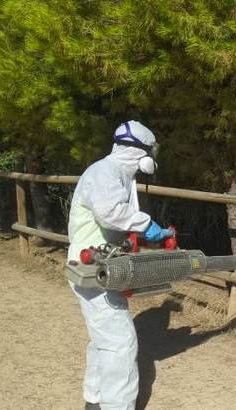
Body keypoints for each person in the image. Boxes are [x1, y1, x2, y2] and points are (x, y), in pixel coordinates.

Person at [67, 120, 174, 410]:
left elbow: (117, 218)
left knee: (103, 338)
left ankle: (95, 400)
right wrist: (148, 224)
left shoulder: (119, 175)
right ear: (139, 152)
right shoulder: (105, 172)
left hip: (103, 265)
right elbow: (110, 213)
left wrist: (148, 234)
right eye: (150, 152)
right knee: (120, 343)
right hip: (93, 268)